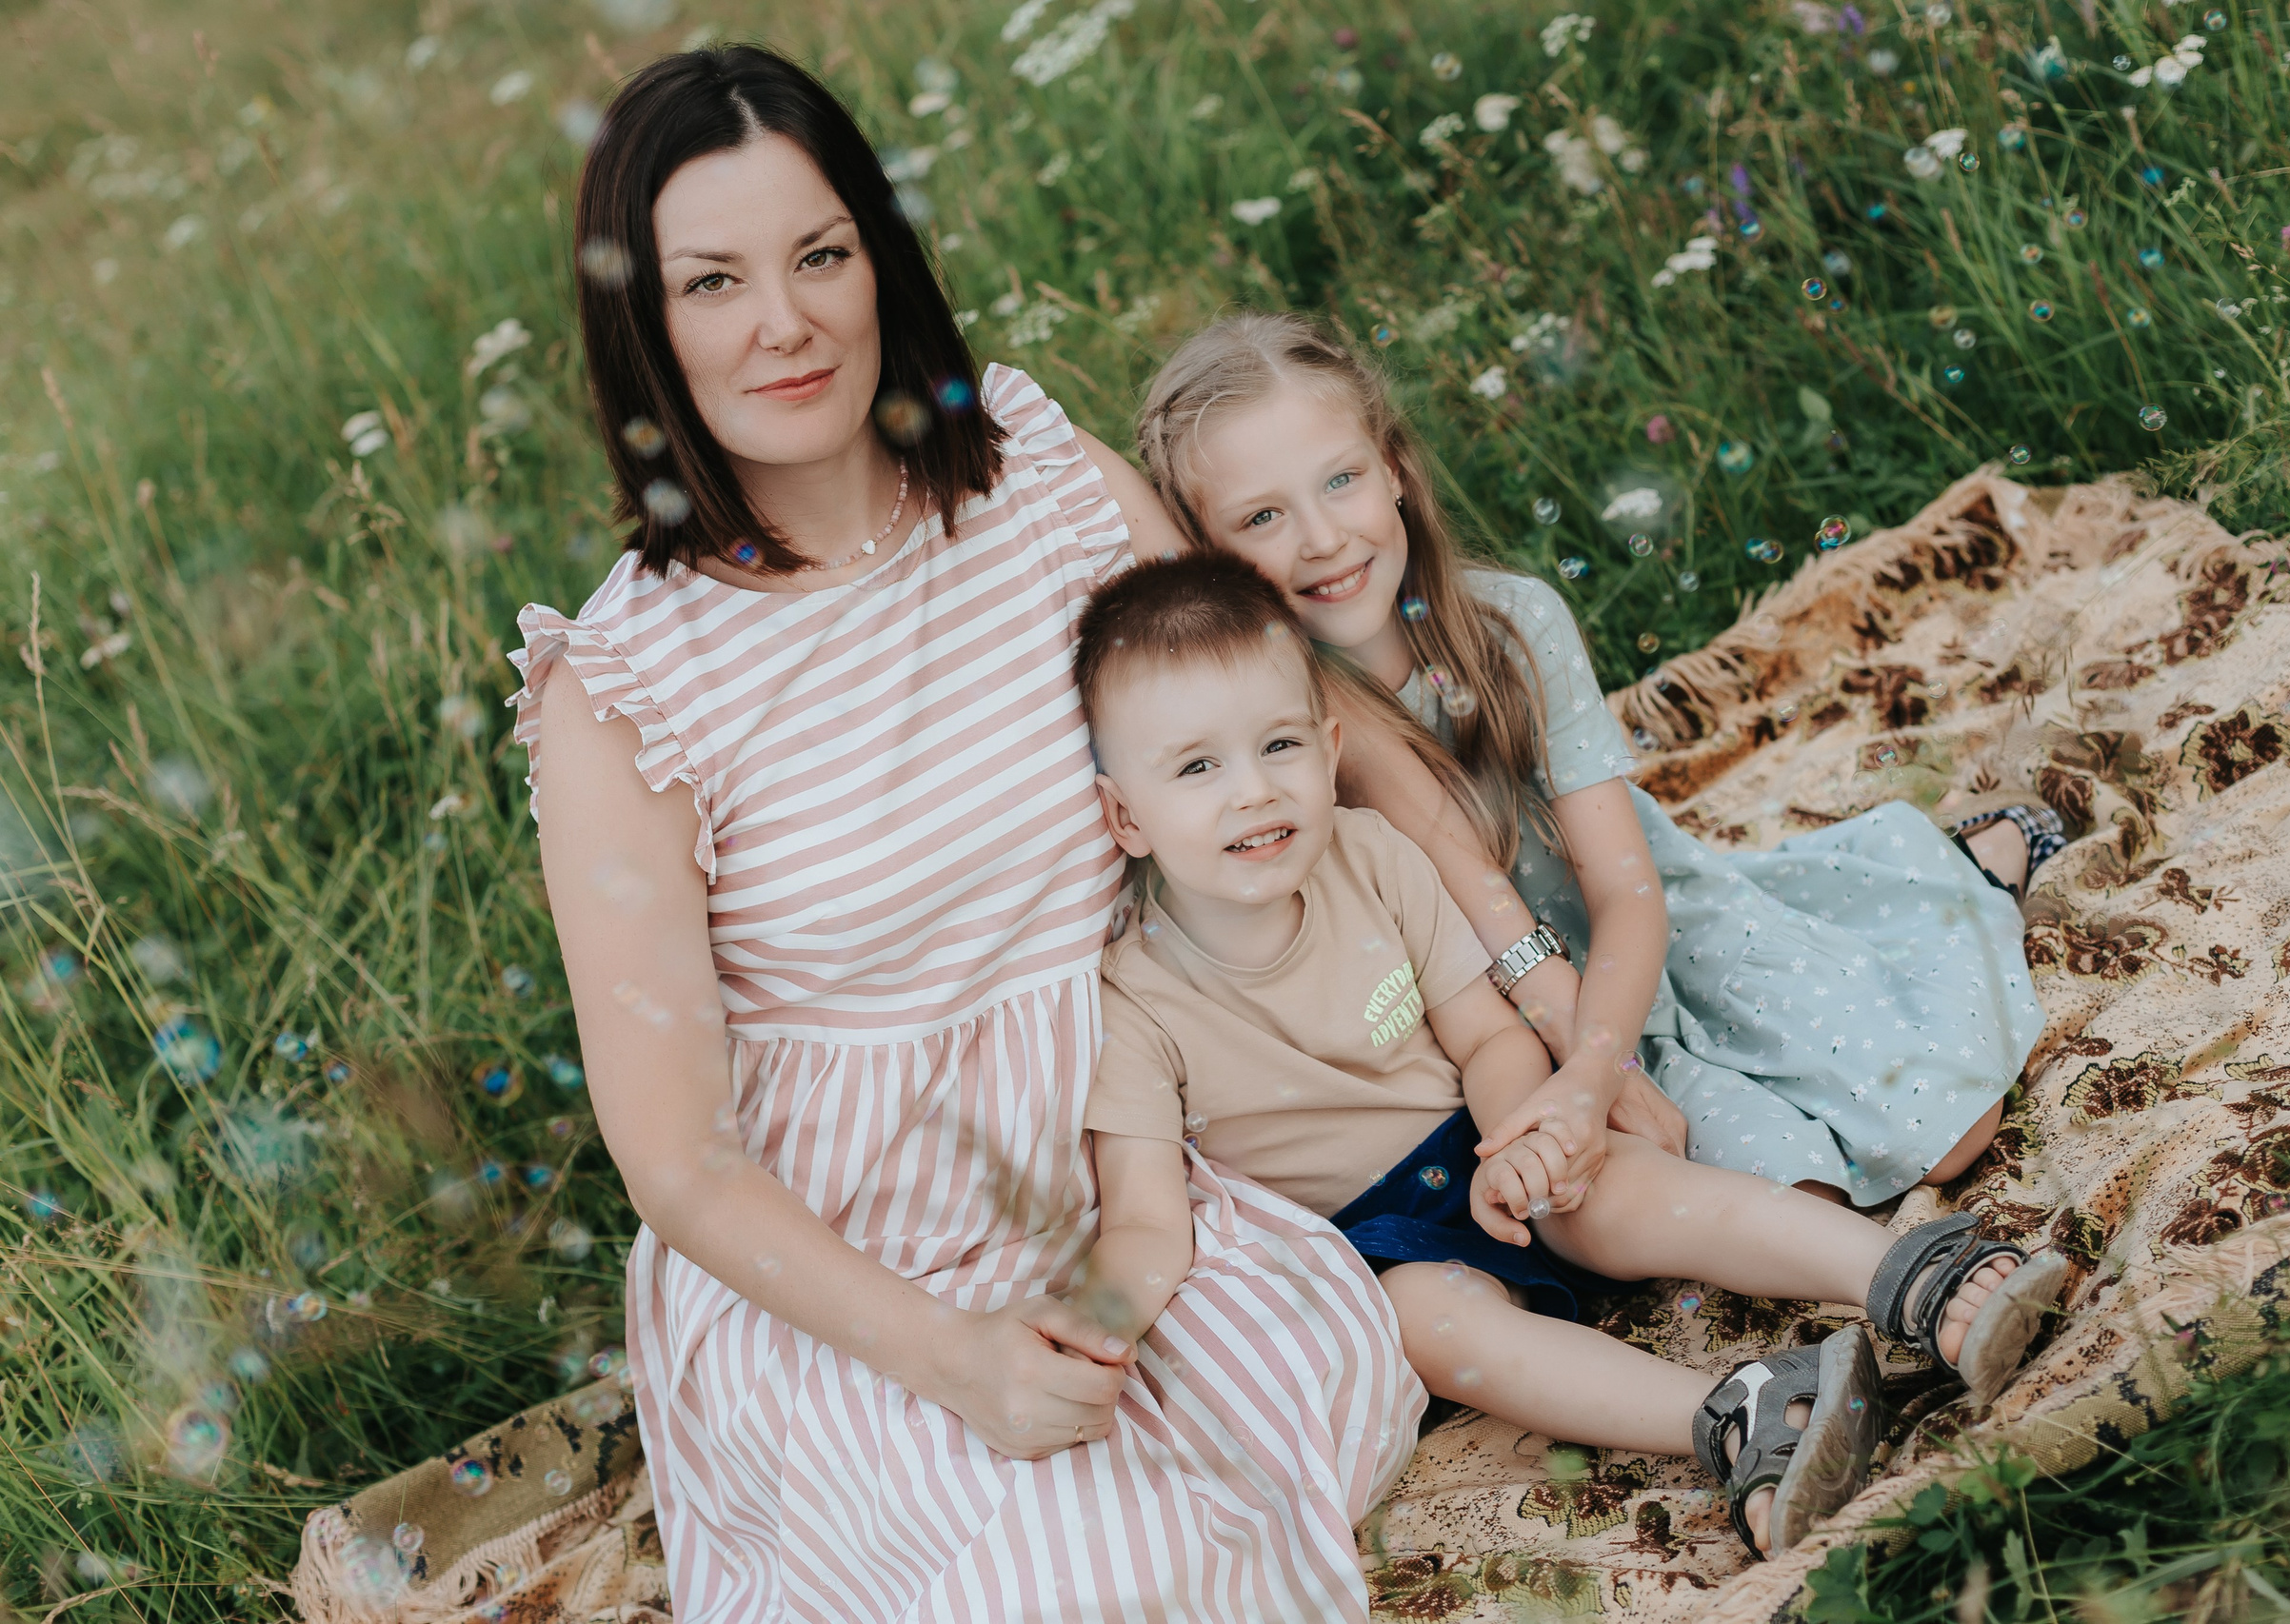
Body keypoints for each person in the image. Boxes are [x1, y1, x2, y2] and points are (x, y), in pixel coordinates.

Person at [510, 50, 1421, 1622]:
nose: (783, 323)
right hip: (857, 1265)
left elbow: (1301, 729)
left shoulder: (1041, 487)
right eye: (712, 282)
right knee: (1080, 1570)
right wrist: (958, 1362)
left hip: (1131, 1156)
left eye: (819, 255)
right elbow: (676, 1156)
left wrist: (1534, 968)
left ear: (882, 256)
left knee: (1332, 1373)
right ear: (643, 325)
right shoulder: (629, 694)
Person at [1069, 552, 2070, 1556]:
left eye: (1278, 744)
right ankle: (1740, 1410)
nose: (1252, 791)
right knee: (1429, 1325)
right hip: (1372, 1234)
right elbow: (1148, 1214)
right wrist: (1099, 1321)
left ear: (1331, 750)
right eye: (1197, 766)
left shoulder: (1372, 856)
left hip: (1483, 1129)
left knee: (1612, 1184)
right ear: (1122, 815)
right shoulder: (1131, 998)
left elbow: (1486, 1032)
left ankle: (1909, 1274)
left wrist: (1523, 1131)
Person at [1133, 312, 2066, 1214]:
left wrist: (1596, 1068)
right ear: (1204, 554)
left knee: (1947, 1127)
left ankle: (1976, 864)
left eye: (1340, 480)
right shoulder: (1271, 735)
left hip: (1644, 942)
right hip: (1490, 1026)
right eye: (1261, 516)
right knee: (1792, 1191)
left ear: (1395, 471)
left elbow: (1626, 894)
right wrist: (1576, 1078)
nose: (1322, 538)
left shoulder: (1513, 627)